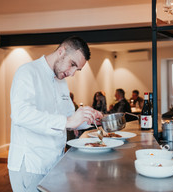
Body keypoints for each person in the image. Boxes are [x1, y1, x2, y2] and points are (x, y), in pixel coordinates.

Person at [8, 36, 103, 192]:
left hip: (56, 161)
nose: (72, 73)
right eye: (72, 64)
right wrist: (68, 122)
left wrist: (91, 119)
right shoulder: (28, 72)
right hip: (31, 164)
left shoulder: (61, 81)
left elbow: (69, 116)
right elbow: (21, 114)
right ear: (61, 51)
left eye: (76, 69)